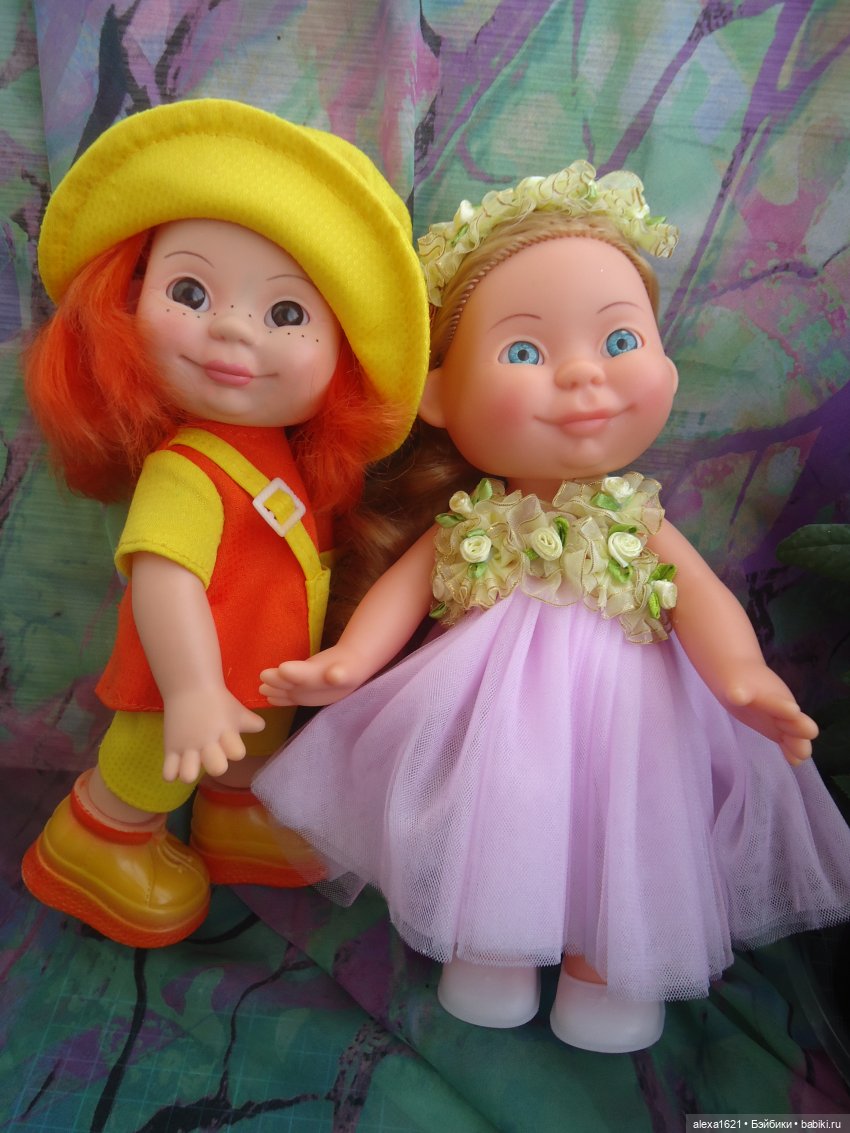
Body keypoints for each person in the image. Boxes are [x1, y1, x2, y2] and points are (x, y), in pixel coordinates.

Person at [253, 161, 850, 1052]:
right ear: (439, 396)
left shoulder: (636, 517)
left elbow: (701, 597)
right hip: (492, 702)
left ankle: (605, 966)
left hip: (632, 716)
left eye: (620, 341)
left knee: (629, 827)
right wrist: (346, 665)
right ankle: (490, 946)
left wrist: (742, 677)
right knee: (501, 808)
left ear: (666, 365)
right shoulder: (475, 518)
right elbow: (404, 590)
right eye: (525, 353)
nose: (581, 377)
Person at [21, 98, 429, 948]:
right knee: (148, 764)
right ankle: (99, 836)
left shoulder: (285, 458)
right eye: (190, 292)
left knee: (250, 749)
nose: (233, 330)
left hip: (258, 671)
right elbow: (163, 580)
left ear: (344, 359)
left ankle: (234, 814)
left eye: (287, 314)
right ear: (126, 301)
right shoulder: (185, 469)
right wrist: (192, 690)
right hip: (184, 683)